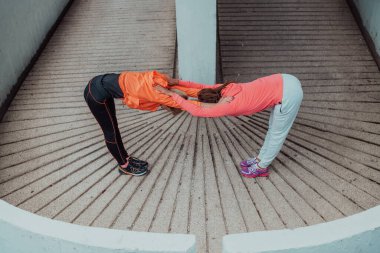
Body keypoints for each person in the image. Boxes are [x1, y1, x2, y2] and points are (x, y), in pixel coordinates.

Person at [155, 74, 303, 178]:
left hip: (289, 94)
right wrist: (176, 82)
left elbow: (196, 110)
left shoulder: (226, 106)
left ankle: (261, 167)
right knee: (273, 128)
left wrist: (169, 93)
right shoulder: (224, 88)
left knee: (277, 133)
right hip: (283, 79)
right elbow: (199, 87)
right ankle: (260, 159)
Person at [83, 70, 199, 176]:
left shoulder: (160, 83)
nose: (163, 108)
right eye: (166, 108)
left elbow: (184, 88)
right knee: (110, 132)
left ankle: (125, 158)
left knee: (114, 127)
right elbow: (192, 107)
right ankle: (124, 166)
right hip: (95, 96)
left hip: (98, 84)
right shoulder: (157, 95)